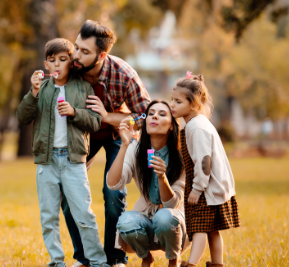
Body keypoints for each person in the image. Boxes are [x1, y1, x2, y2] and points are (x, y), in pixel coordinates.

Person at [62, 20, 151, 267]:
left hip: (115, 137)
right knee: (67, 193)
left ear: (102, 55)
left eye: (84, 52)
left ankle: (115, 258)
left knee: (113, 195)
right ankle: (85, 257)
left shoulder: (123, 74)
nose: (76, 55)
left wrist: (109, 116)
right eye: (77, 47)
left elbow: (146, 115)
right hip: (81, 135)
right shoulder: (71, 66)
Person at [16, 38, 109, 267]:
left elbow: (96, 122)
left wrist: (74, 112)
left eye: (63, 59)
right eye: (52, 60)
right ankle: (57, 262)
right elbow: (22, 117)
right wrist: (33, 92)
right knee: (49, 218)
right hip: (46, 161)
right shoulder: (41, 89)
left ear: (71, 63)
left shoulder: (82, 88)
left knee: (84, 216)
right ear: (46, 65)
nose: (57, 64)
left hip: (73, 160)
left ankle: (98, 262)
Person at [106, 100, 187, 267]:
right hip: (145, 214)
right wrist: (124, 145)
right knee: (126, 222)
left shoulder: (181, 156)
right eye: (151, 113)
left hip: (173, 219)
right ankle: (146, 257)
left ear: (171, 126)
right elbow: (113, 184)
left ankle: (174, 259)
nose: (155, 116)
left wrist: (162, 177)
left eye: (162, 114)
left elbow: (172, 204)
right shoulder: (136, 149)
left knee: (164, 218)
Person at [170, 73, 240, 267]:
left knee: (200, 227)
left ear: (193, 104)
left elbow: (204, 161)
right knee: (212, 229)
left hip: (206, 188)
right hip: (212, 186)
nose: (172, 105)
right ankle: (217, 263)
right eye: (172, 100)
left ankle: (191, 264)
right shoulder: (195, 123)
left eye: (178, 101)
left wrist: (197, 188)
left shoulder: (196, 127)